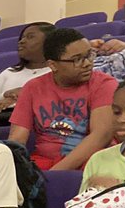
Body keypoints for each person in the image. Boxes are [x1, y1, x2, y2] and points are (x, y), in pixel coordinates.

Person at [34, 73, 125, 208]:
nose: (122, 119)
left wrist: (123, 196)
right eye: (116, 112)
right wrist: (96, 195)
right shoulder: (100, 158)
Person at [9, 27, 116, 172]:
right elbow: (17, 139)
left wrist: (55, 175)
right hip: (43, 162)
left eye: (89, 55)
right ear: (53, 65)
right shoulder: (33, 87)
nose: (87, 63)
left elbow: (101, 135)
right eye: (77, 59)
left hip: (90, 160)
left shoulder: (105, 84)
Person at [0, 21, 56, 112]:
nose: (22, 41)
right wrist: (7, 94)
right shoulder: (9, 72)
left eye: (30, 37)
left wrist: (23, 95)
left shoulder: (59, 72)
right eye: (22, 38)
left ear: (49, 42)